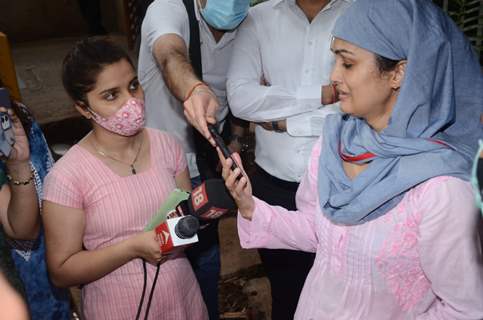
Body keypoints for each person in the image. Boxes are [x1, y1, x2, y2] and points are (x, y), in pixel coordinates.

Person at [219, 0, 483, 318]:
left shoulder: (441, 188)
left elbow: (464, 309)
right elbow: (320, 231)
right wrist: (250, 207)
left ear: (398, 73)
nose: (333, 76)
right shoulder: (334, 143)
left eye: (347, 64)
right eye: (336, 61)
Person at [42, 38, 207, 320]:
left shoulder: (168, 146)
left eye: (133, 86)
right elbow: (61, 270)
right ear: (83, 108)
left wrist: (205, 210)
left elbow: (185, 226)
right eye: (110, 95)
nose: (131, 102)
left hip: (183, 298)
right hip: (118, 307)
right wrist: (131, 248)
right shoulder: (67, 177)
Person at [226, 0, 349, 317]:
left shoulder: (362, 13)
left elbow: (365, 109)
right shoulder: (258, 18)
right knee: (285, 292)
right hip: (273, 187)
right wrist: (323, 95)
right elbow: (240, 99)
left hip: (343, 185)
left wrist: (283, 122)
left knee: (343, 294)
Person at [138, 1, 249, 318]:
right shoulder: (168, 9)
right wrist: (194, 89)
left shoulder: (249, 25)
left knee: (206, 261)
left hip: (207, 169)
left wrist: (236, 140)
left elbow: (242, 93)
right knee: (160, 257)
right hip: (162, 173)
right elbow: (171, 54)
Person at [0, 88, 72, 319]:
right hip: (18, 286)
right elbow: (22, 231)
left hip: (49, 281)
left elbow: (24, 228)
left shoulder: (18, 117)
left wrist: (18, 163)